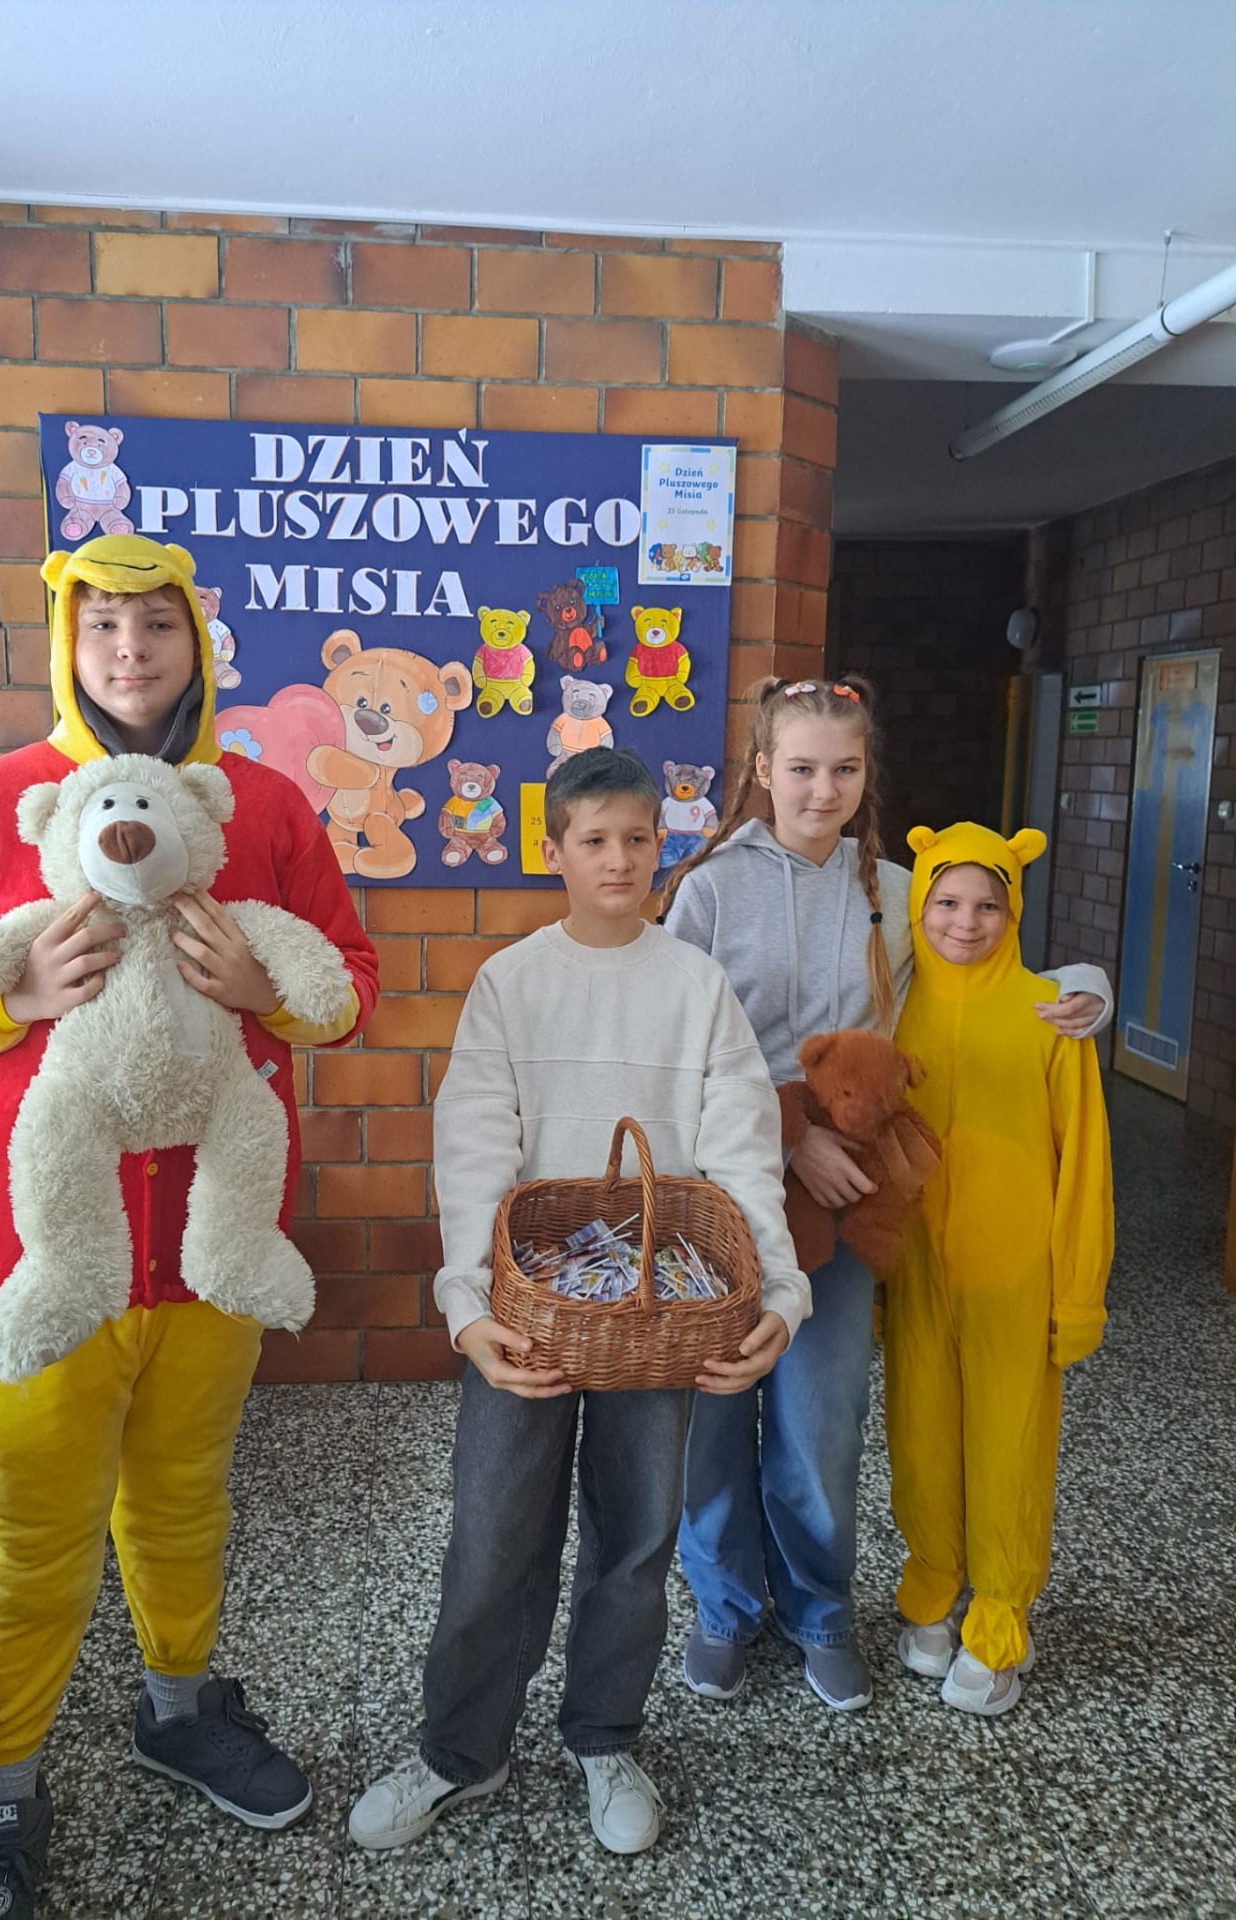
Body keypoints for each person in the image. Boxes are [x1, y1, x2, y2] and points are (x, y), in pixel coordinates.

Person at [0, 535, 378, 1920]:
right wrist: (17, 997)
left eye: (156, 625)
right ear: (68, 646)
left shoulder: (261, 806)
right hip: (30, 1251)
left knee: (183, 1498)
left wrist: (266, 991)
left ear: (194, 642)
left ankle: (178, 1708)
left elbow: (350, 981)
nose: (131, 651)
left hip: (212, 1240)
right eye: (104, 627)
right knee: (29, 1528)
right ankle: (6, 1779)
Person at [347, 748, 809, 1858]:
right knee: (492, 1534)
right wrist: (468, 1307)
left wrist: (781, 1292)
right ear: (552, 850)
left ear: (663, 846)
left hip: (662, 1317)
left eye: (637, 839)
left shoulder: (695, 987)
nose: (618, 860)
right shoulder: (512, 982)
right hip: (528, 1314)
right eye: (593, 840)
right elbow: (473, 1147)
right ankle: (463, 1750)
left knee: (637, 1538)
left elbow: (744, 1151)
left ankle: (605, 1736)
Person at [662, 676, 1112, 1713]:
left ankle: (820, 1611)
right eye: (801, 768)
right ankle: (726, 1607)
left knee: (821, 1425)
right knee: (714, 1421)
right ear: (763, 770)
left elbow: (986, 953)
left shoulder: (900, 893)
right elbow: (672, 1042)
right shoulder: (710, 890)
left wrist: (1089, 986)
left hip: (847, 1208)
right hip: (723, 1196)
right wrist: (791, 1138)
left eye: (845, 769)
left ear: (868, 777)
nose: (822, 790)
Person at [885, 822, 1113, 1715]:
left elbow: (1085, 1165)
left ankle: (1000, 1622)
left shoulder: (1051, 1014)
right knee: (921, 1438)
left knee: (1009, 1446)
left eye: (988, 904)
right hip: (916, 1273)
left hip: (1017, 1277)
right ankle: (933, 1589)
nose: (965, 921)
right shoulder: (892, 1008)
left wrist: (1078, 1295)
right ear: (918, 902)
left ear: (1014, 911)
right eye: (945, 900)